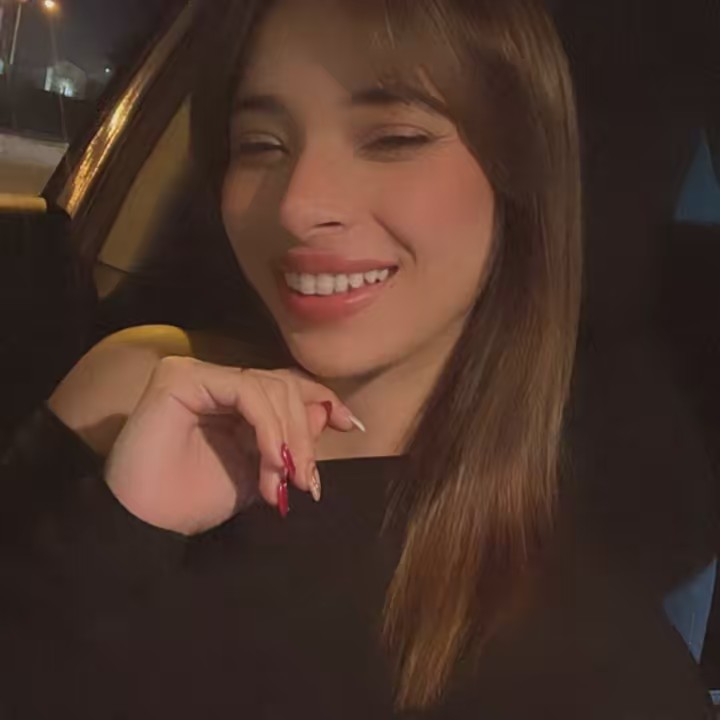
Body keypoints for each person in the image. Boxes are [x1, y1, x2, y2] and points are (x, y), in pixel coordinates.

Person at [0, 0, 714, 717]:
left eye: (394, 138)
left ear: (519, 178)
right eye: (261, 144)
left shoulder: (606, 663)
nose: (298, 205)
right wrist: (117, 532)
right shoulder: (129, 396)